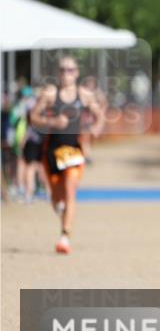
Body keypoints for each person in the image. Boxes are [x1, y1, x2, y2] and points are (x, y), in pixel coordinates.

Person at [31, 57, 105, 254]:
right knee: (57, 197)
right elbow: (34, 116)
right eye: (63, 70)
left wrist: (96, 128)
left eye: (70, 70)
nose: (66, 74)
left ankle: (65, 236)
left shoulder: (84, 95)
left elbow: (100, 115)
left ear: (77, 72)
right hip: (52, 151)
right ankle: (60, 209)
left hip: (73, 150)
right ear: (58, 72)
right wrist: (53, 122)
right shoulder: (50, 93)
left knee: (70, 189)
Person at [13, 86, 47, 203]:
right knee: (36, 166)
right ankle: (35, 192)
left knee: (32, 167)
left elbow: (28, 125)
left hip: (35, 140)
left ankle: (30, 193)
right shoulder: (44, 107)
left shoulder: (30, 105)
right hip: (39, 140)